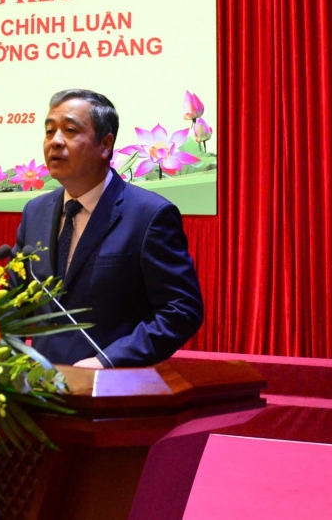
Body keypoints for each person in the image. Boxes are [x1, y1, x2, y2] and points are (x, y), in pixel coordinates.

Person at [15, 89, 203, 368]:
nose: (55, 141)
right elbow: (14, 301)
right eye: (49, 131)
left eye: (69, 130)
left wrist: (108, 361)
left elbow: (181, 310)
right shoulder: (35, 212)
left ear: (105, 144)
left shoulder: (149, 215)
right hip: (39, 383)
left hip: (113, 384)